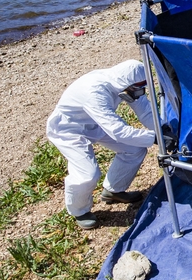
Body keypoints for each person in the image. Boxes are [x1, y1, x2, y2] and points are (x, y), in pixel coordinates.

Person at [46, 61, 157, 230]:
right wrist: (154, 137)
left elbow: (145, 111)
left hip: (95, 124)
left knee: (134, 150)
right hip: (68, 129)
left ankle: (114, 190)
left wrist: (162, 129)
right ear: (125, 85)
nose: (138, 94)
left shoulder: (127, 84)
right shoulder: (95, 91)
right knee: (88, 173)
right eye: (137, 90)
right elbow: (118, 131)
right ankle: (79, 211)